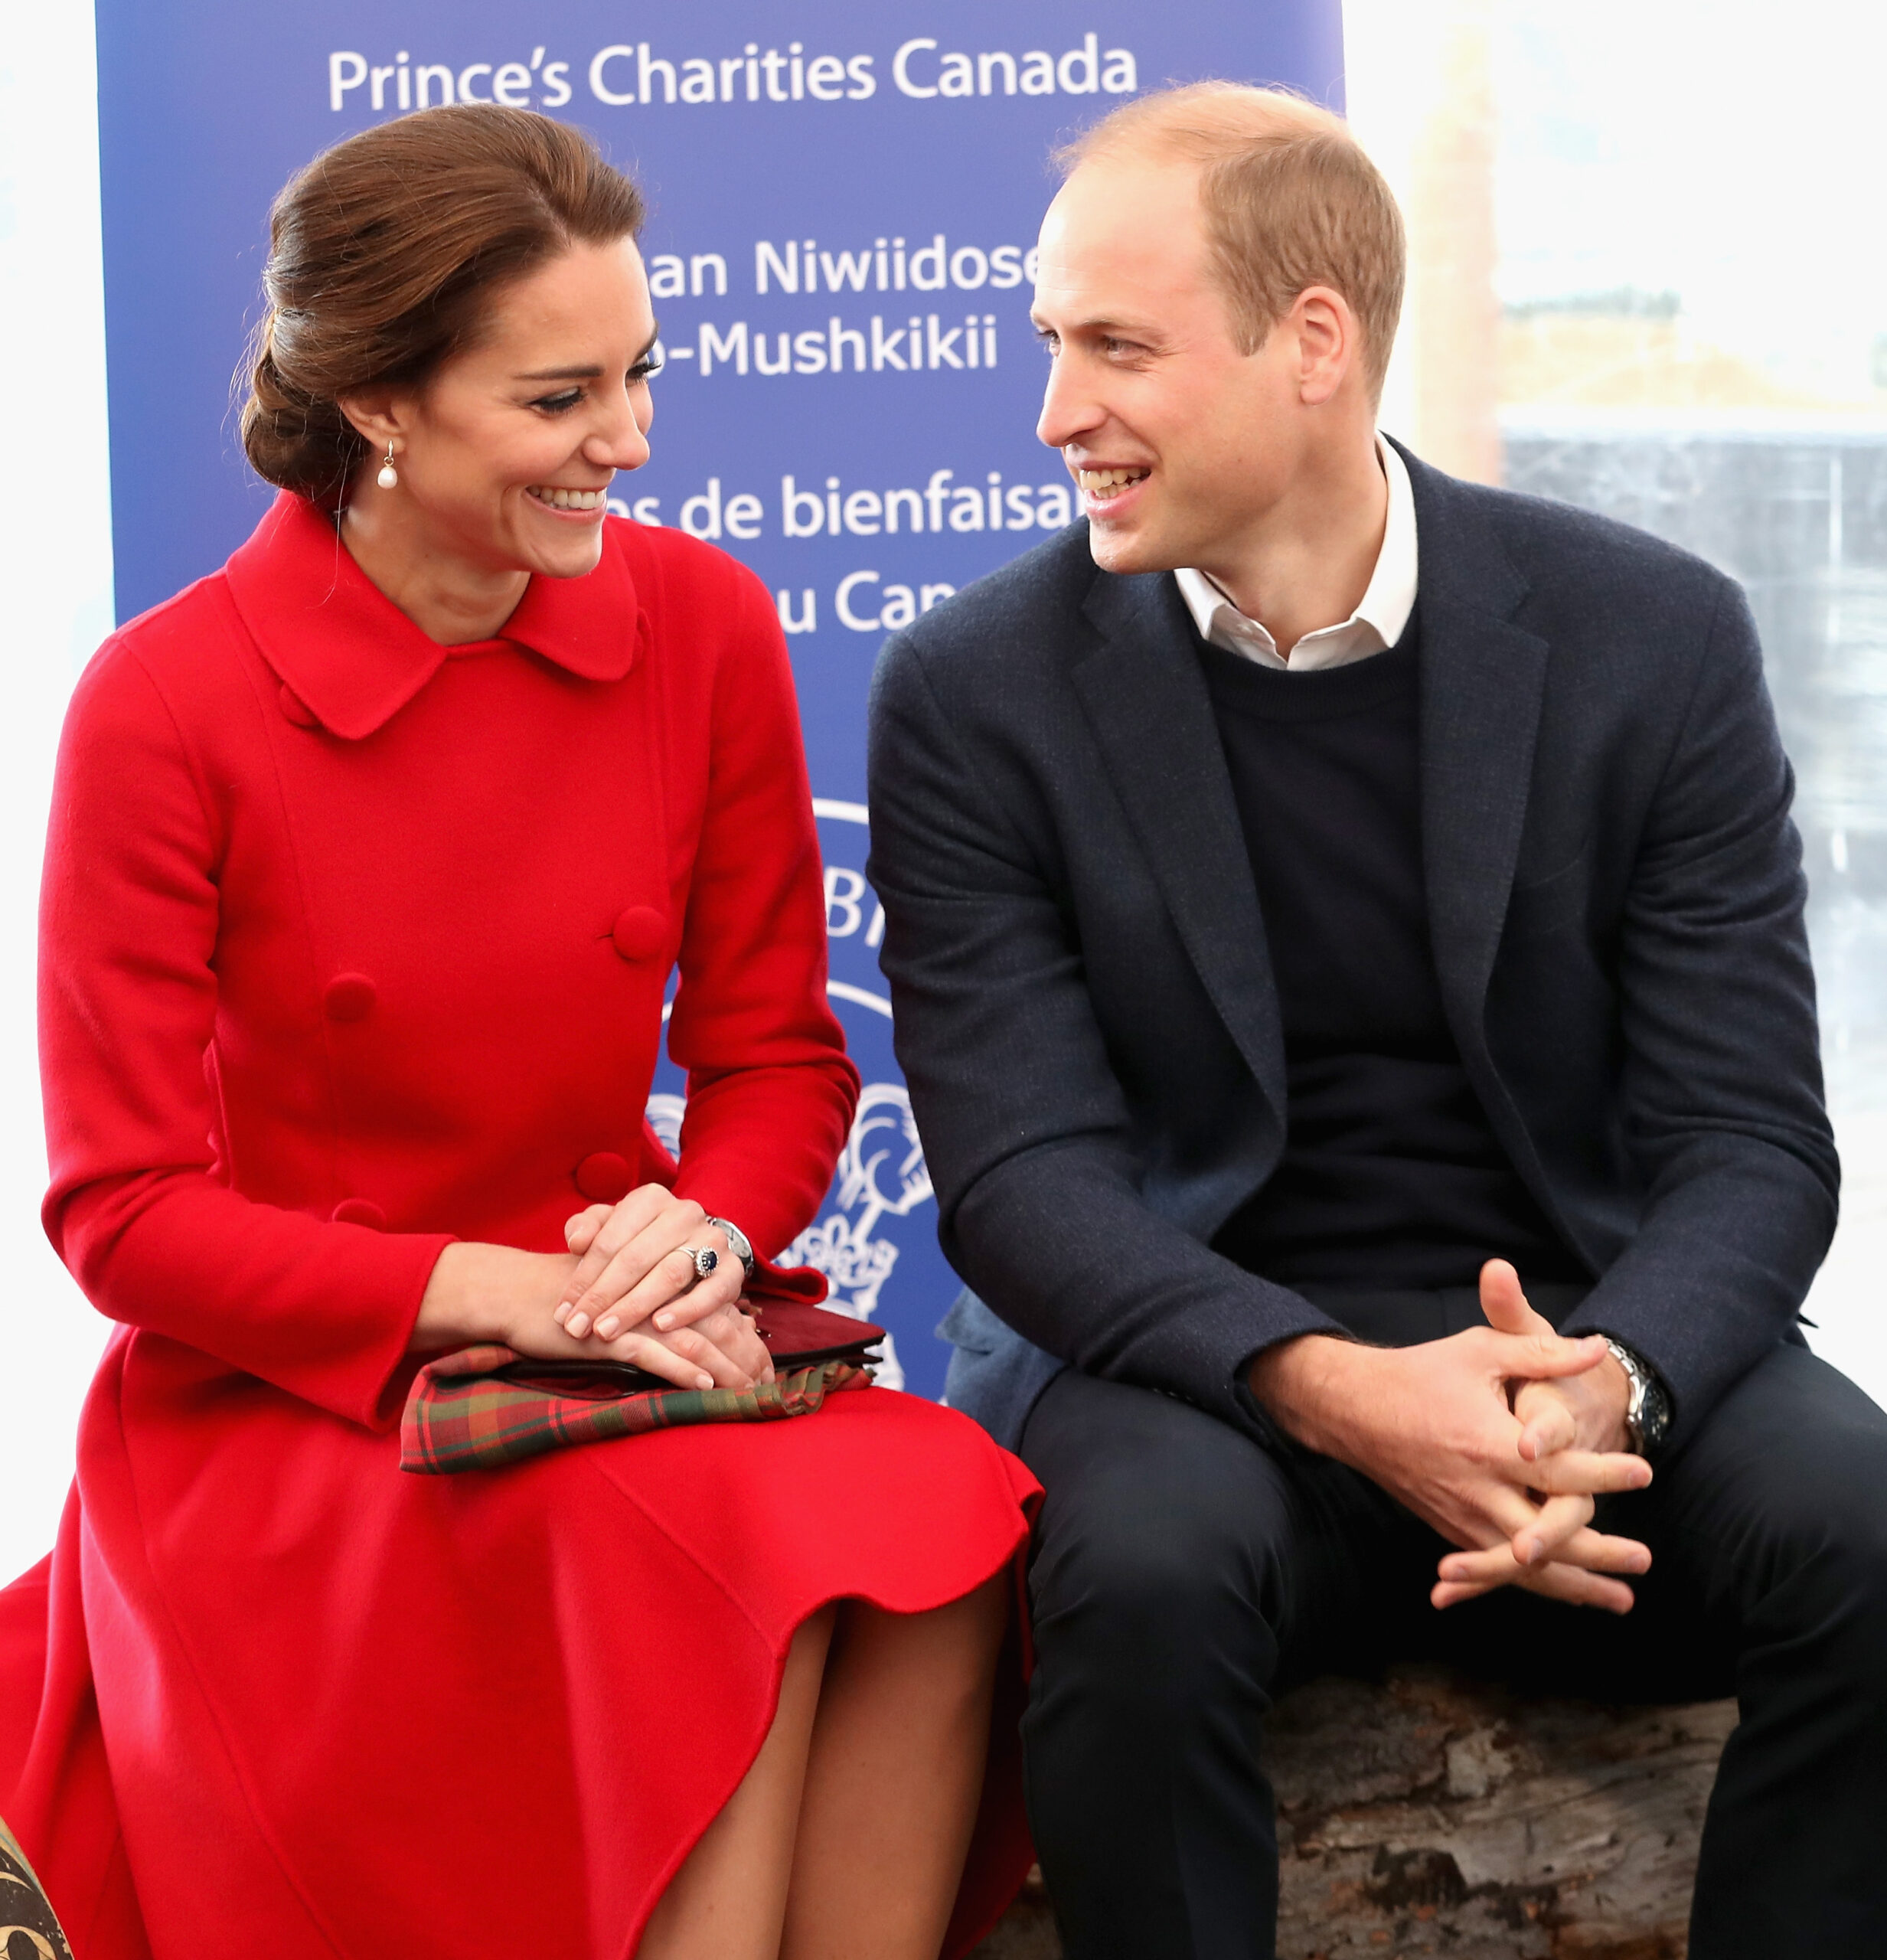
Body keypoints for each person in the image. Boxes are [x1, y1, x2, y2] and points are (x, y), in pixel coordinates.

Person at [0, 104, 1039, 1960]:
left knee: (949, 1510)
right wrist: (504, 1290)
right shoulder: (161, 708)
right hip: (301, 1414)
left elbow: (780, 1061)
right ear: (381, 407)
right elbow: (123, 1218)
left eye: (640, 375)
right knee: (740, 1551)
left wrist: (702, 1223)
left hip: (626, 1330)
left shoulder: (701, 624)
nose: (626, 443)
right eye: (560, 400)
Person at [866, 80, 1887, 1960]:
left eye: (1115, 346)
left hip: (1578, 1356)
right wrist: (1341, 1387)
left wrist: (1607, 1387)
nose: (1055, 411)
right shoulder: (974, 691)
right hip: (1210, 1371)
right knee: (1143, 1579)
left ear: (1312, 341)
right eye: (1051, 345)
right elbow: (1022, 1183)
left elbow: (1753, 1144)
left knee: (1870, 1530)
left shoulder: (1651, 638)